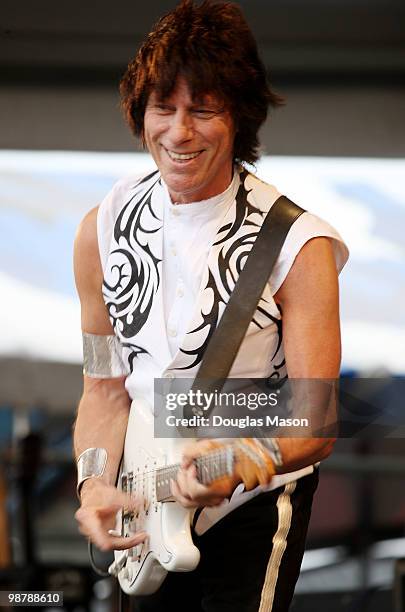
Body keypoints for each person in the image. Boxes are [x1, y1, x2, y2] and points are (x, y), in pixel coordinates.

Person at [73, 1, 348, 610]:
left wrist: (237, 458)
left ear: (240, 115)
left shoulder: (300, 246)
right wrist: (94, 481)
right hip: (144, 508)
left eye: (203, 109)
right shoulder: (100, 231)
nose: (179, 131)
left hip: (253, 508)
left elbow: (316, 419)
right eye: (163, 108)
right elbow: (104, 387)